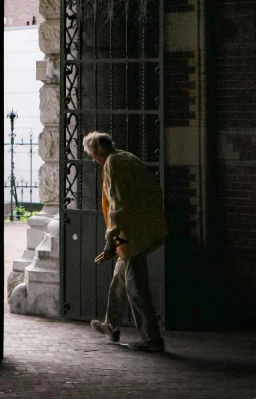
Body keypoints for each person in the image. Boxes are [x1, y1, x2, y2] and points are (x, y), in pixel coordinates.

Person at [83, 131, 168, 352]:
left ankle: (152, 339)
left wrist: (112, 239)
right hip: (140, 228)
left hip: (132, 234)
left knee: (135, 287)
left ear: (99, 151)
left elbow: (118, 205)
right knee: (119, 280)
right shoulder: (126, 157)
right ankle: (110, 325)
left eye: (92, 155)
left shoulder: (112, 164)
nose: (93, 160)